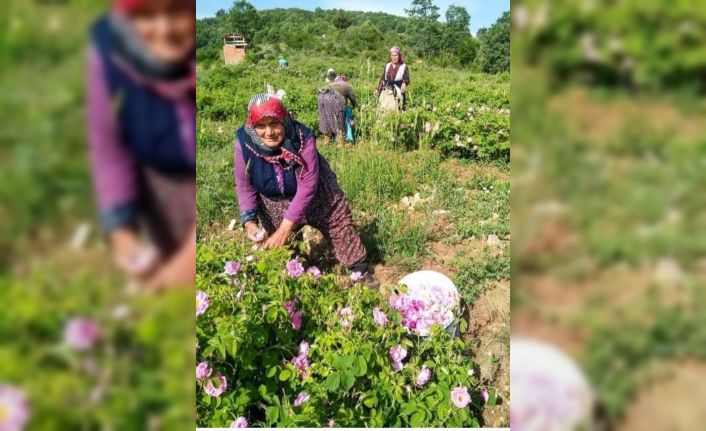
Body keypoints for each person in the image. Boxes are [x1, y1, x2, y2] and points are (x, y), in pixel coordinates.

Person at [86, 0, 196, 289]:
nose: (164, 30)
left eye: (176, 11)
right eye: (146, 16)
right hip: (157, 181)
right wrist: (121, 231)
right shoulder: (110, 54)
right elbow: (109, 149)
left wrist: (186, 264)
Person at [234, 92, 372, 279]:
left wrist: (285, 228)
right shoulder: (245, 143)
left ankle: (360, 271)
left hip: (317, 193)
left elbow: (308, 184)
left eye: (274, 123)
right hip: (274, 198)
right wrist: (249, 222)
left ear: (284, 119)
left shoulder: (302, 138)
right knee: (282, 247)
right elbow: (244, 185)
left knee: (338, 223)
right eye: (261, 126)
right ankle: (297, 269)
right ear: (252, 126)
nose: (269, 132)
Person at [317, 75, 357, 146]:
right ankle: (341, 143)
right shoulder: (347, 86)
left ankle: (327, 140)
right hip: (334, 97)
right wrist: (355, 106)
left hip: (321, 97)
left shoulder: (332, 84)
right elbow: (353, 99)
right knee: (340, 119)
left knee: (326, 118)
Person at [375, 46, 410, 111]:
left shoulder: (403, 66)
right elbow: (382, 78)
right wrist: (378, 89)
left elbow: (406, 78)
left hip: (397, 90)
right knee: (384, 109)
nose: (394, 57)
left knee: (396, 110)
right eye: (392, 55)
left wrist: (404, 83)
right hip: (387, 90)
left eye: (396, 55)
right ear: (390, 56)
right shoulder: (388, 65)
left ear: (399, 56)